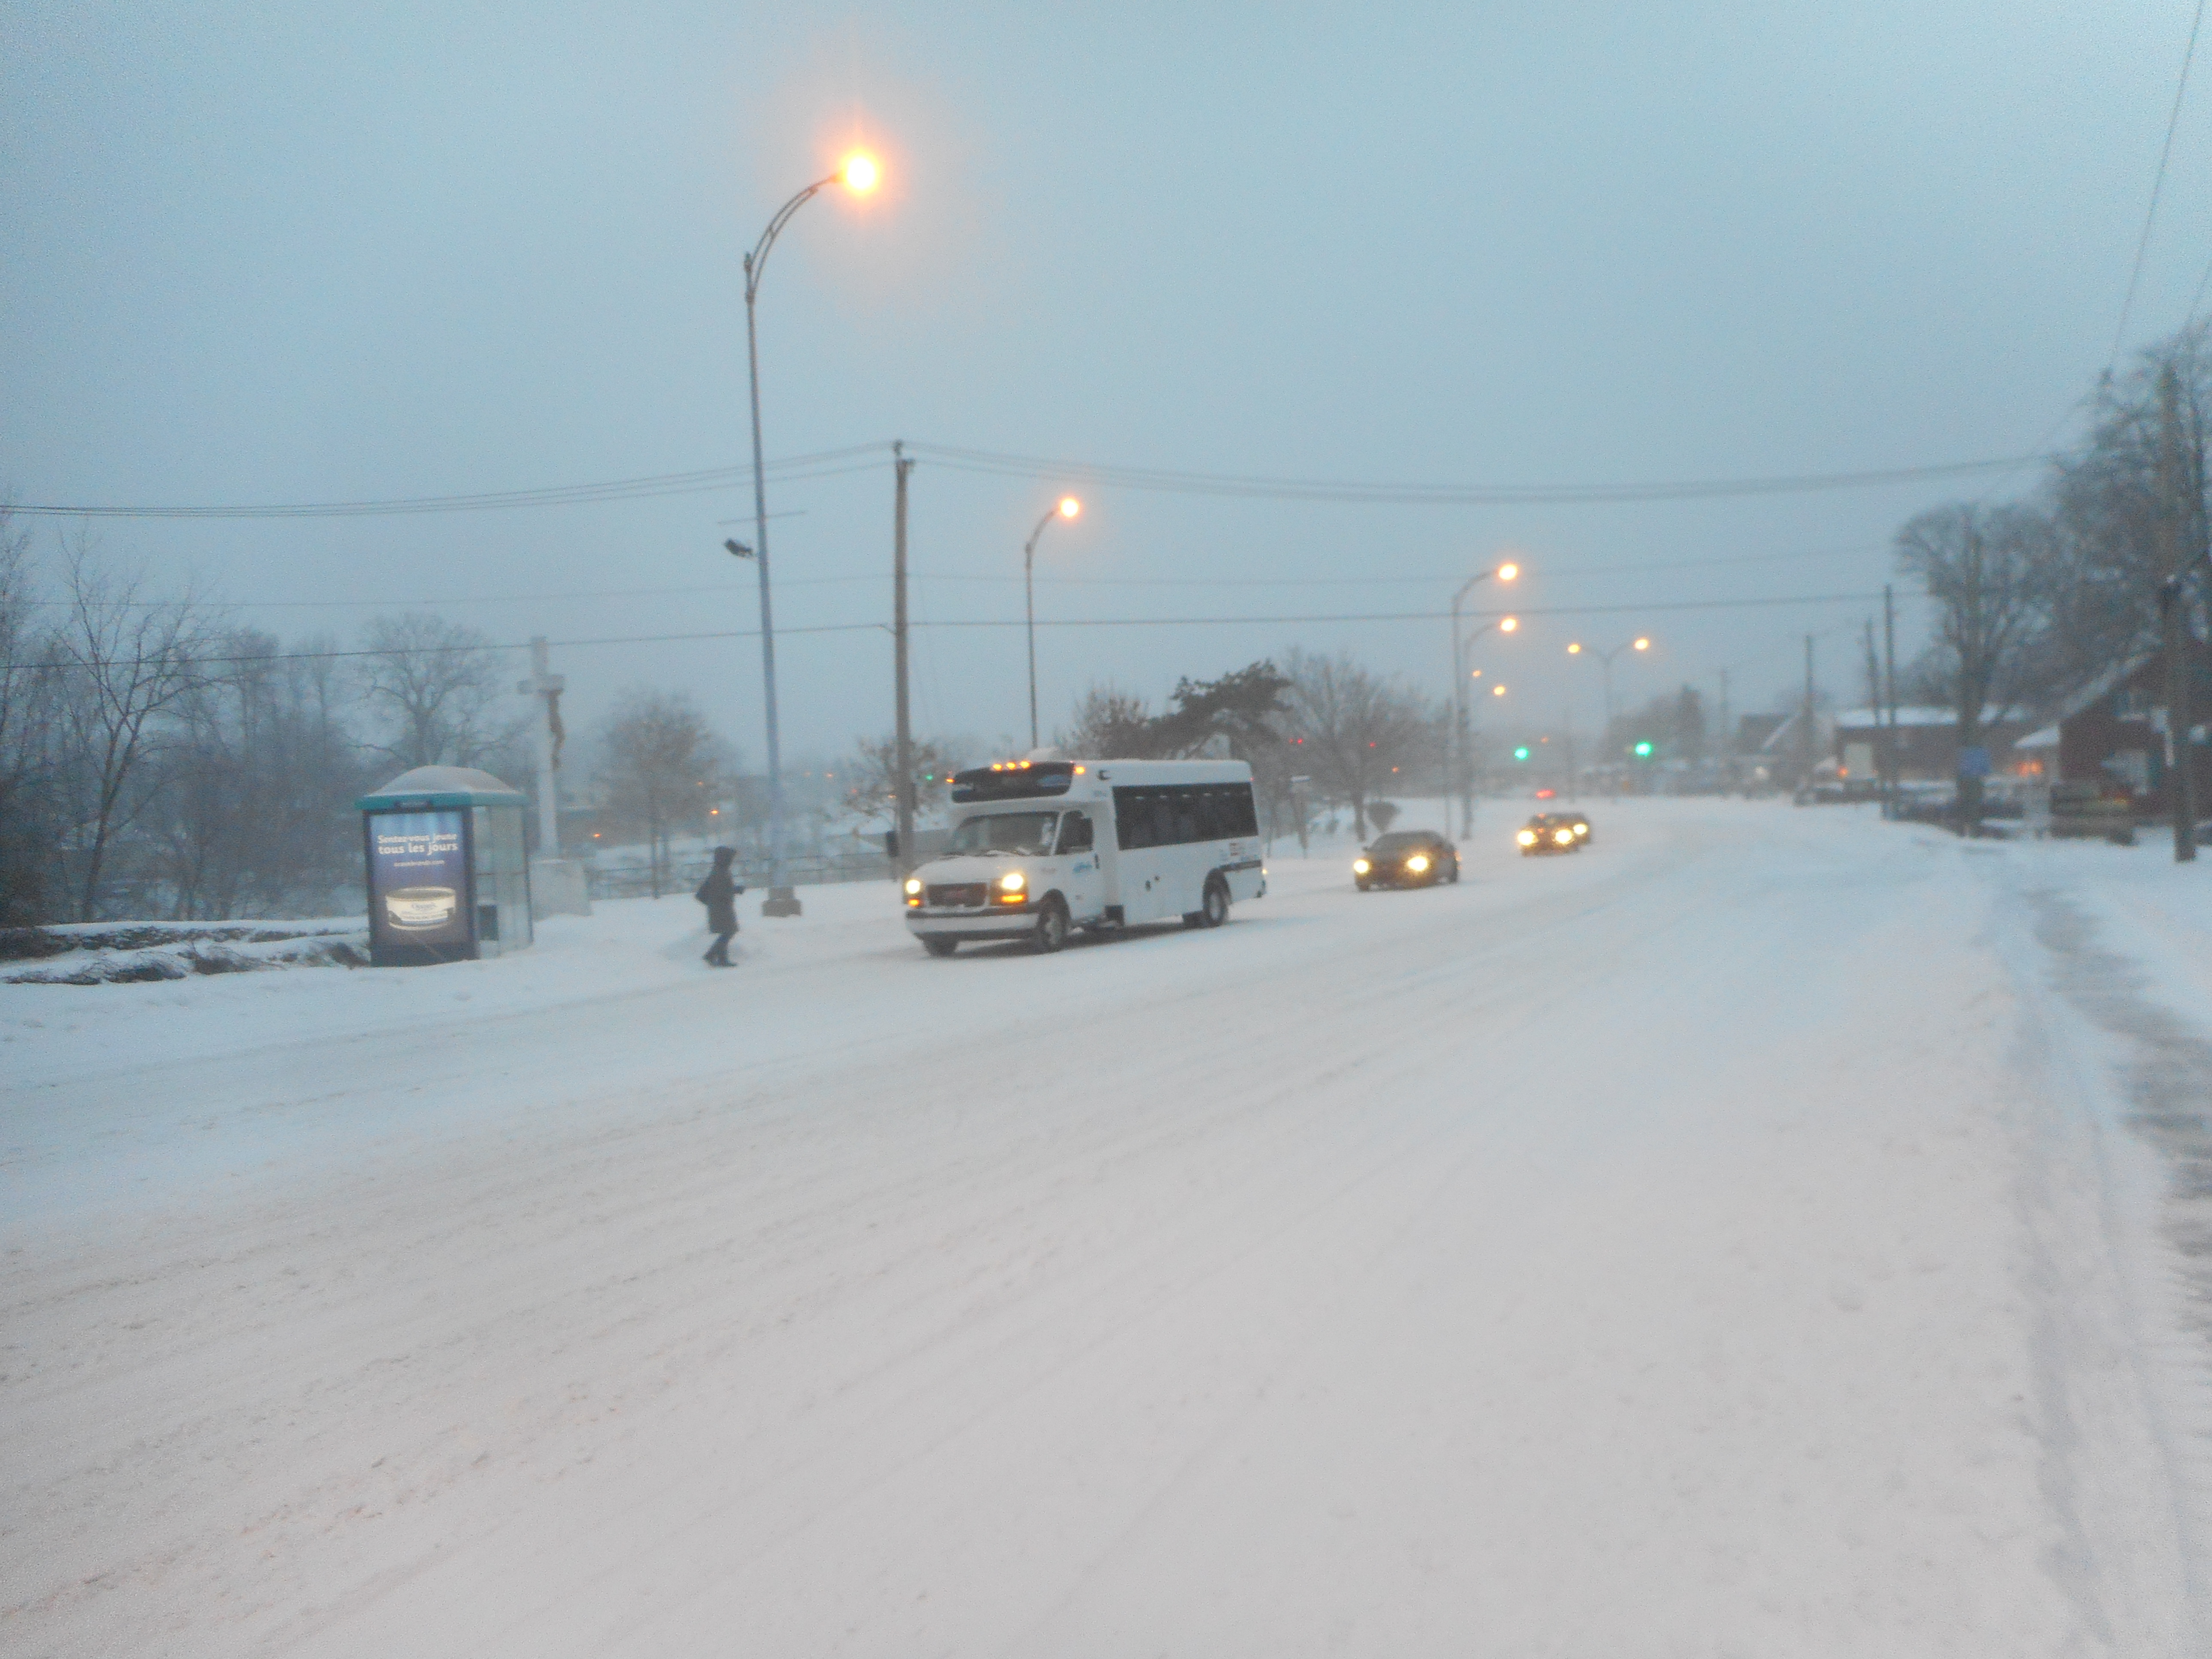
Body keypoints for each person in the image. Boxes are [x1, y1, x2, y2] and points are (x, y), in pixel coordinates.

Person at [695, 846, 742, 966]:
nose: (732, 861)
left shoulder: (719, 870)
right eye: (730, 858)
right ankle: (711, 955)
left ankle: (722, 959)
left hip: (720, 907)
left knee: (727, 932)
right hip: (721, 908)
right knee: (729, 932)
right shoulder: (720, 872)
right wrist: (736, 890)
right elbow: (721, 892)